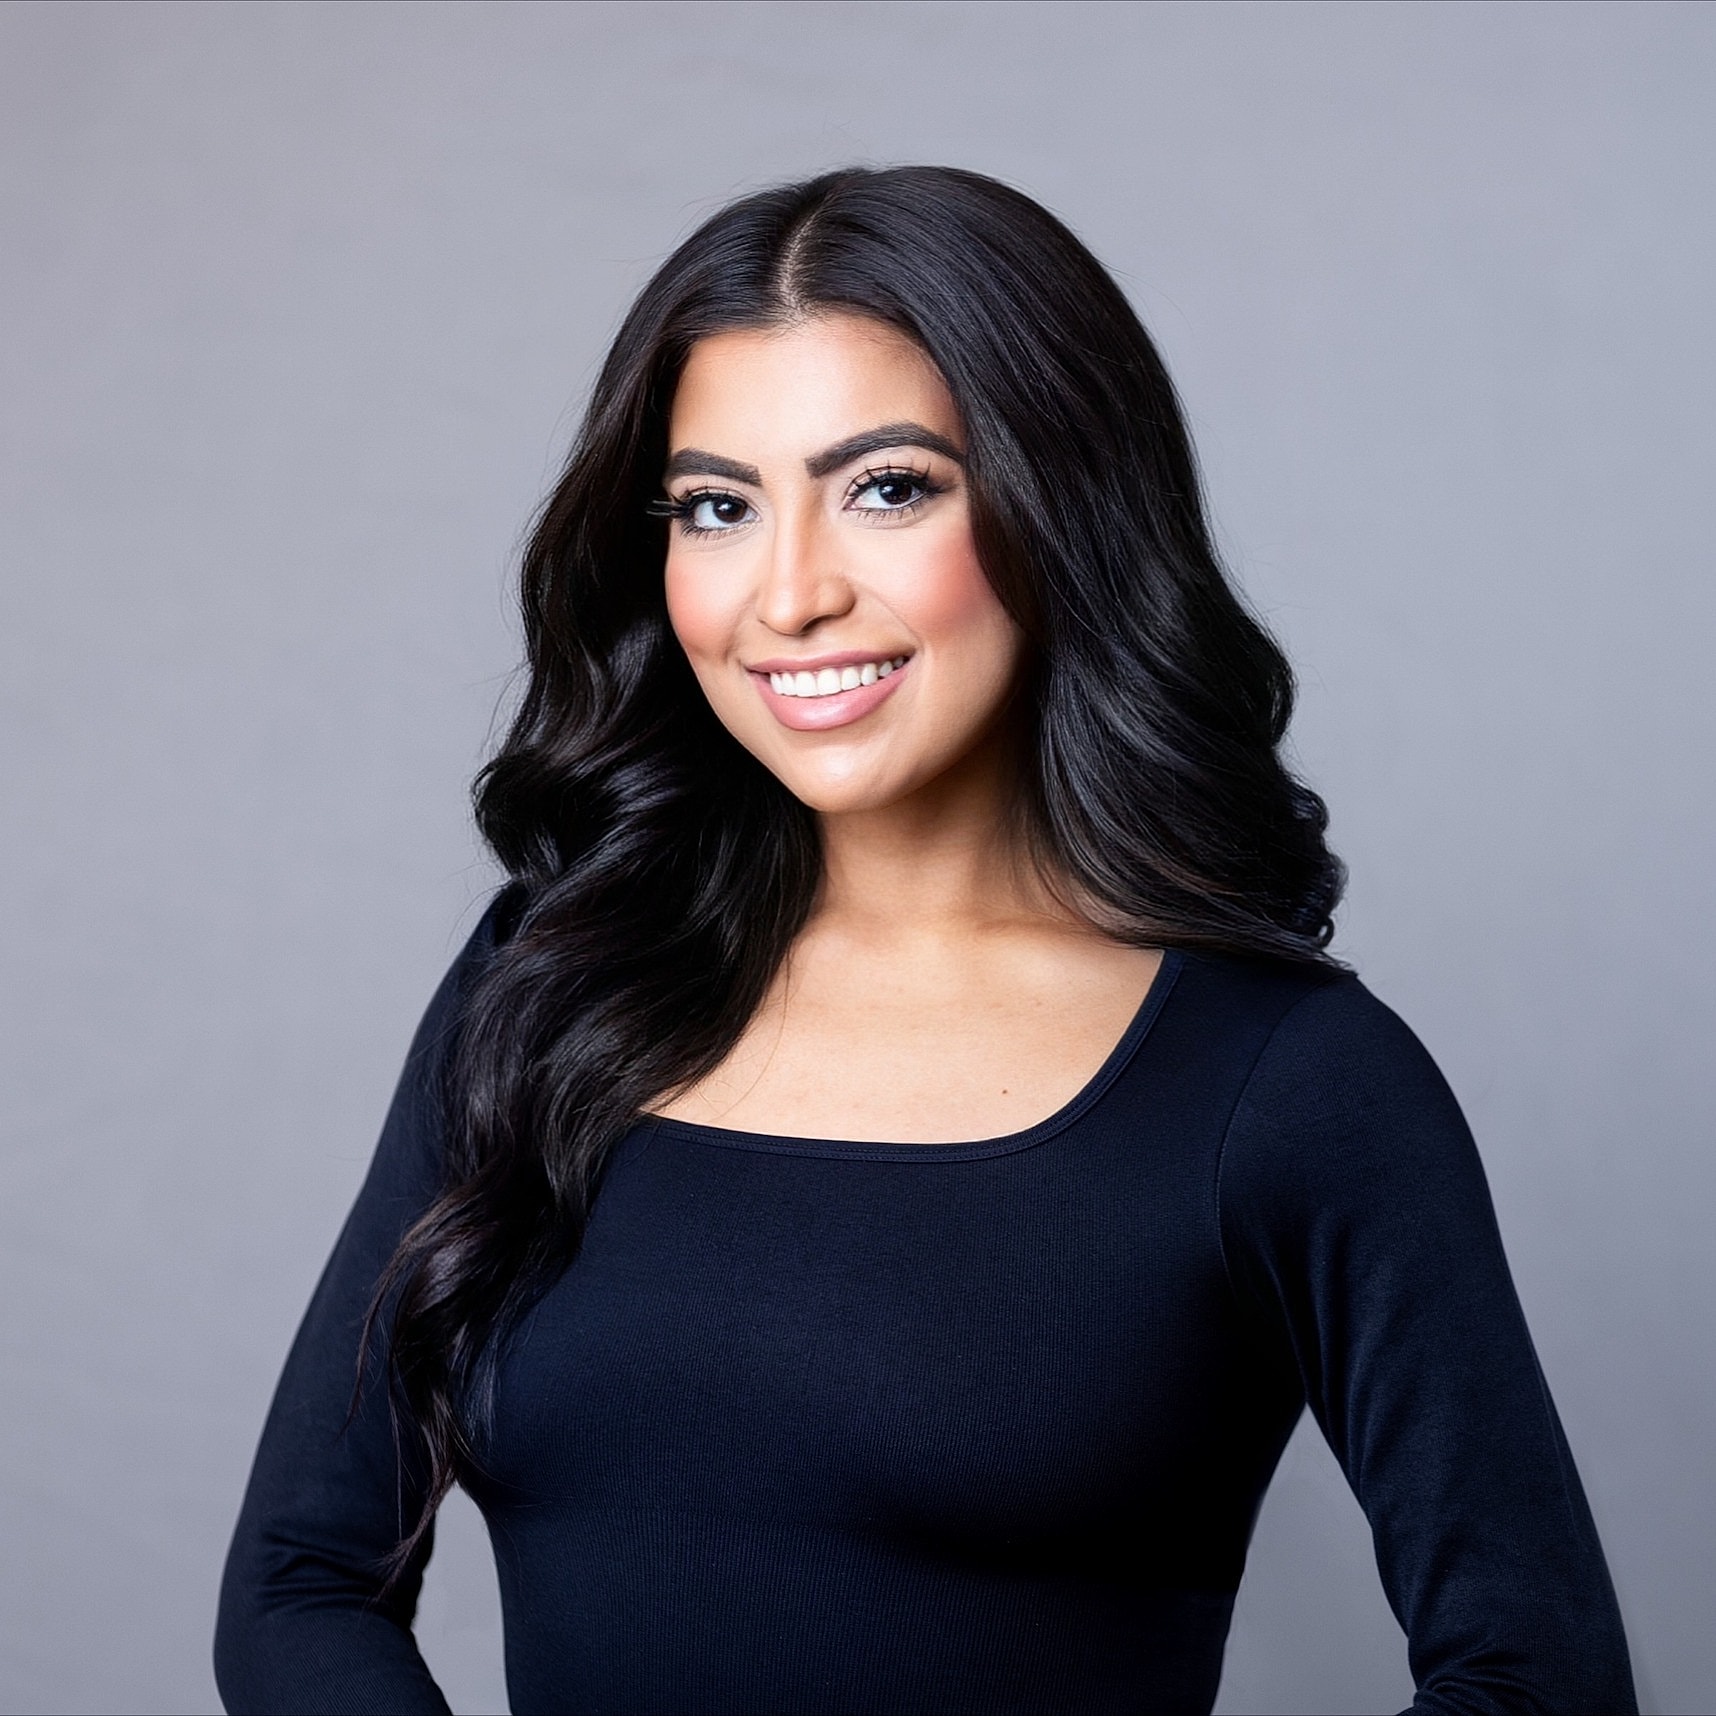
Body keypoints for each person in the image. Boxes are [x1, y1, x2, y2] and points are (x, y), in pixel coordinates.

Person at [213, 166, 1635, 1715]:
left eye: (888, 487)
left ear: (1060, 506)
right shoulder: (548, 989)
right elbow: (302, 1584)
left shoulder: (1290, 1088)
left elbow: (1535, 1676)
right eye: (716, 507)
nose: (792, 594)